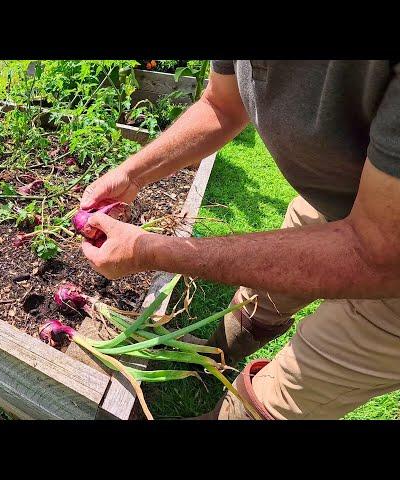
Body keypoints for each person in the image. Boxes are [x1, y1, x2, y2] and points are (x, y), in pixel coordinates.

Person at [79, 60, 400, 420]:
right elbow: (222, 105)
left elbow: (375, 253)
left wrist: (148, 250)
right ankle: (217, 356)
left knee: (278, 400)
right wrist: (131, 175)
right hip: (339, 198)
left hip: (392, 263)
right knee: (262, 297)